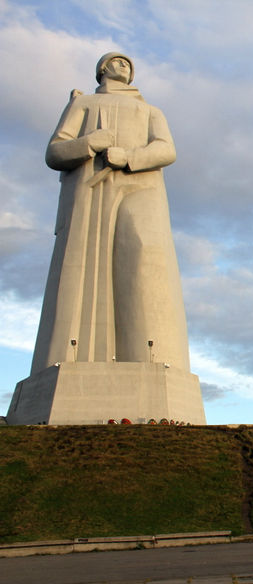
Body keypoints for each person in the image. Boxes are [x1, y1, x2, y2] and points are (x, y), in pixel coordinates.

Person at [31, 52, 192, 373]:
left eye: (128, 64)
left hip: (141, 188)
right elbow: (55, 151)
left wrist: (128, 155)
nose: (124, 66)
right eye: (117, 62)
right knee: (80, 272)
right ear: (102, 69)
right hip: (90, 195)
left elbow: (167, 149)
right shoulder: (83, 104)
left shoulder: (150, 110)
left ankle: (154, 358)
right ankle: (71, 357)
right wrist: (89, 143)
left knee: (145, 260)